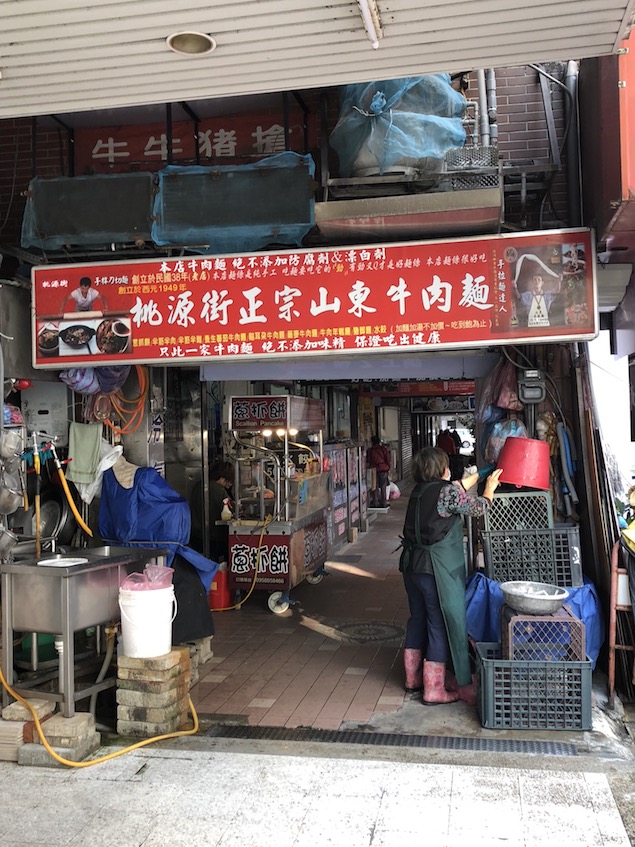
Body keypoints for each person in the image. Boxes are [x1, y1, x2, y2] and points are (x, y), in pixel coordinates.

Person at [398, 447, 503, 705]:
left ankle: (413, 679)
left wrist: (476, 476)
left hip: (413, 568)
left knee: (418, 620)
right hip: (434, 568)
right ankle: (434, 689)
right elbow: (478, 508)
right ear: (441, 469)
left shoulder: (420, 490)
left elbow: (454, 489)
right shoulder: (446, 492)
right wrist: (489, 489)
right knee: (438, 623)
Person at [208, 459, 235, 563]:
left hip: (195, 536)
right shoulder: (218, 490)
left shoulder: (201, 485)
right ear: (222, 478)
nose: (230, 484)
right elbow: (230, 507)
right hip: (214, 537)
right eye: (230, 480)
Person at [367, 435, 391, 508]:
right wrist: (388, 467)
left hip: (374, 470)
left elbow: (368, 460)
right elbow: (388, 459)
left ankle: (375, 502)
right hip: (383, 469)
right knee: (383, 486)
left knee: (375, 486)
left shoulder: (370, 450)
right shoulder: (383, 449)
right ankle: (383, 502)